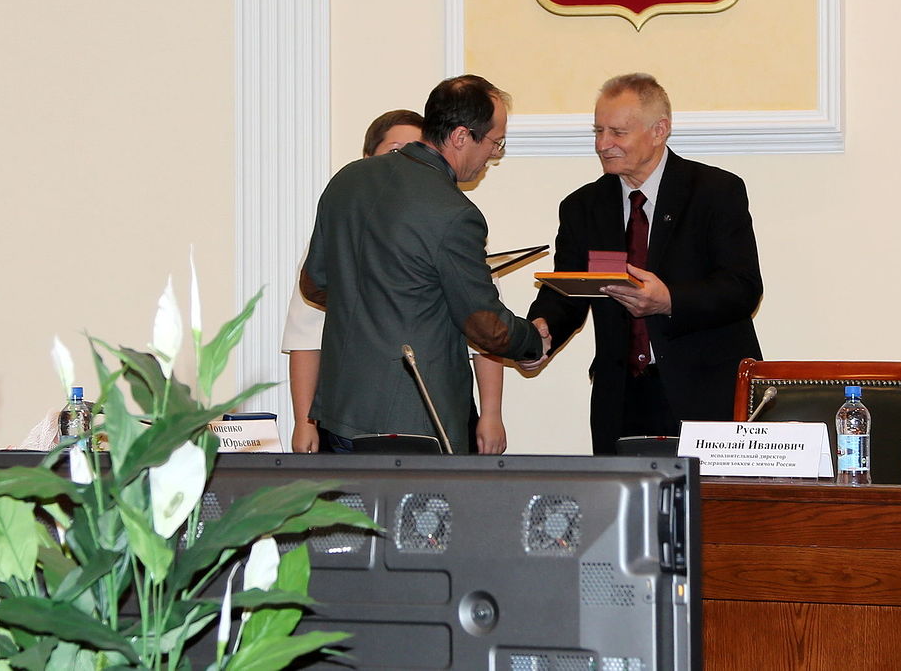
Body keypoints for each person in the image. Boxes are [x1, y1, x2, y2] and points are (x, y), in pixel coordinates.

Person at [301, 75, 549, 452]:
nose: (493, 155)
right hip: (415, 419)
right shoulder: (454, 214)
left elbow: (314, 283)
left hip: (340, 410)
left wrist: (375, 307)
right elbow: (484, 325)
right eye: (495, 142)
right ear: (462, 137)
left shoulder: (347, 180)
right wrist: (532, 341)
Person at [526, 73, 762, 453]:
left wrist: (669, 300)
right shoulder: (582, 207)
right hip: (620, 400)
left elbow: (742, 288)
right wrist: (539, 331)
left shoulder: (715, 192)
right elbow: (567, 294)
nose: (603, 144)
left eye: (617, 132)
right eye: (598, 131)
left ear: (659, 130)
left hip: (705, 397)